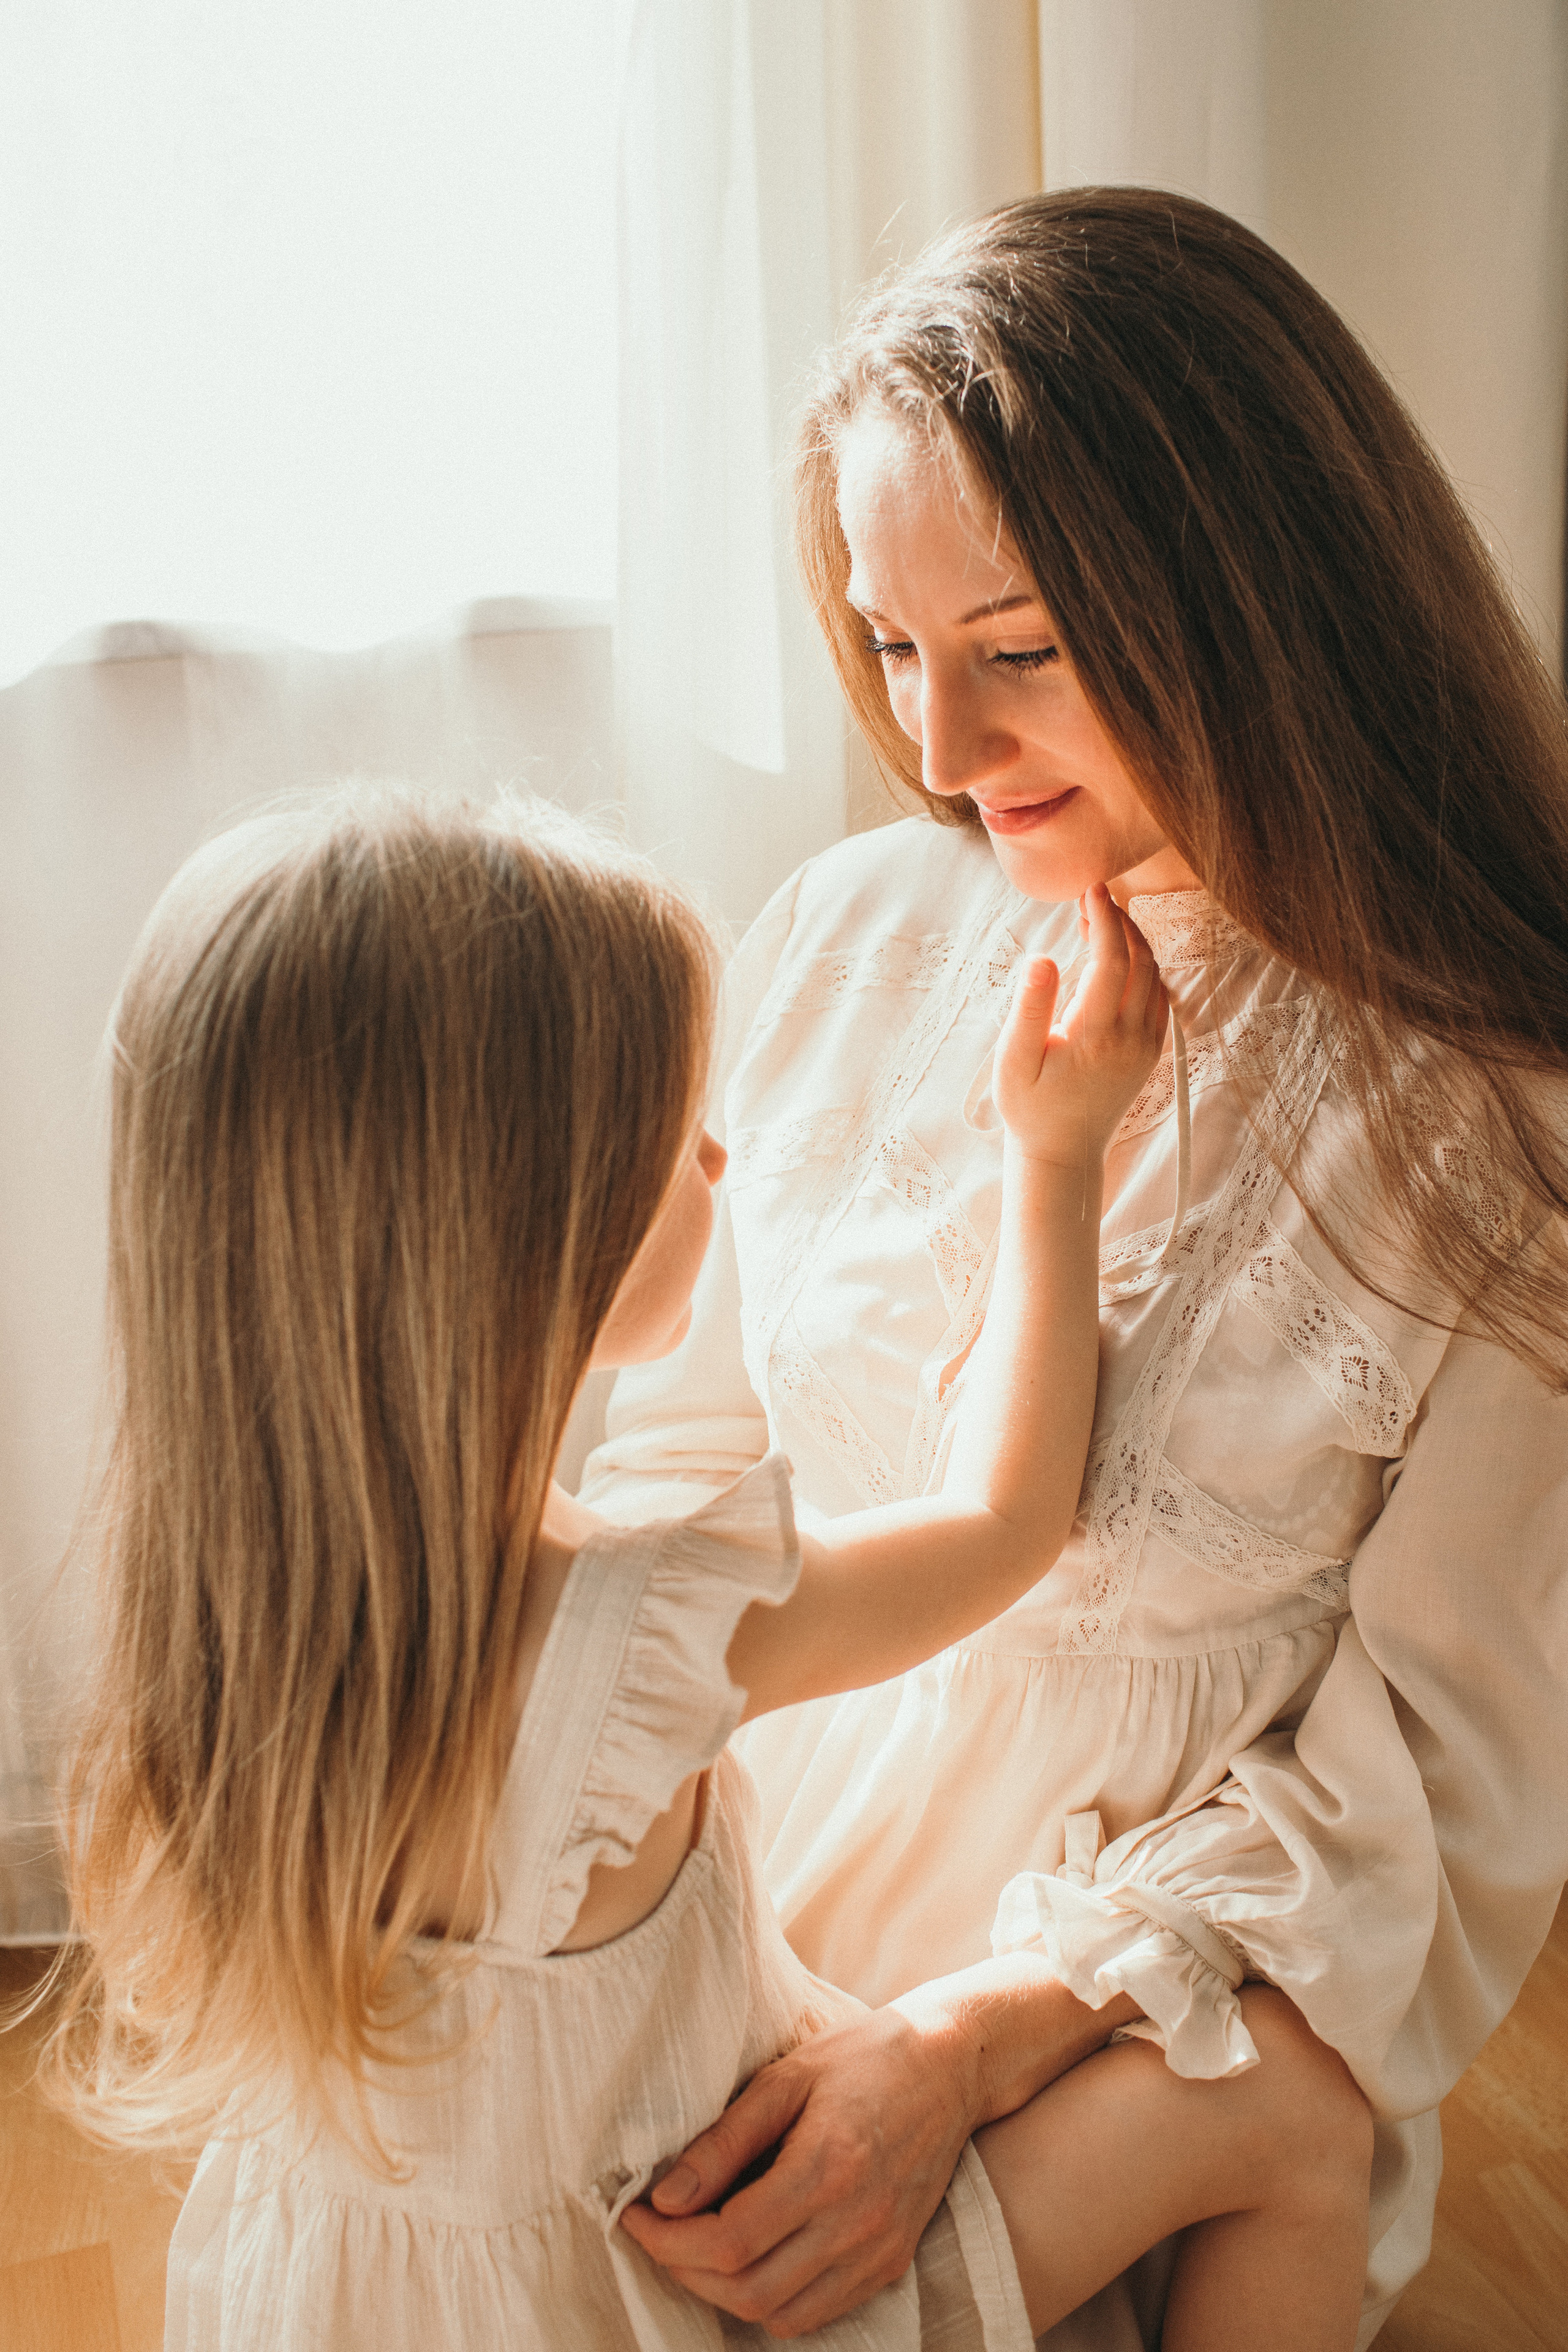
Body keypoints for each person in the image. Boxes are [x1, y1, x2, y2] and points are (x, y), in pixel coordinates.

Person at [587, 189, 1568, 2348]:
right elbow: (667, 1488)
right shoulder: (856, 928)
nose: (937, 754)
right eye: (893, 647)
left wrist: (966, 2048)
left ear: (1253, 592)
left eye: (1019, 651)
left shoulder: (1506, 1136)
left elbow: (1435, 1807)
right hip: (702, 1968)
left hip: (1153, 2063)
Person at [42, 785, 1366, 2348]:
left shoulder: (205, 1655)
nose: (725, 1158)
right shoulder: (642, 1632)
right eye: (682, 1133)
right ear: (534, 1226)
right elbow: (1008, 1521)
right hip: (687, 2309)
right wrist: (1055, 1155)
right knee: (1288, 2117)